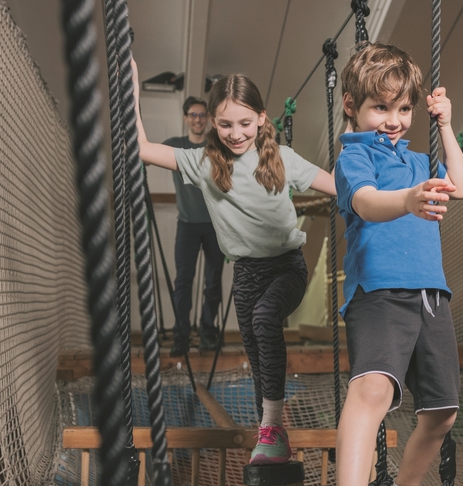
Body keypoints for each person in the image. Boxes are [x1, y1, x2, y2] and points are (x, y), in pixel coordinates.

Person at [131, 61, 336, 463]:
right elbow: (142, 149)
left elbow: (340, 187)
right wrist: (131, 95)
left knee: (265, 318)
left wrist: (396, 199)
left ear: (261, 118)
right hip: (246, 275)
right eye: (225, 124)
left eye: (245, 123)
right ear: (212, 122)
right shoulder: (204, 163)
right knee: (258, 359)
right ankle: (271, 435)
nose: (236, 133)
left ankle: (272, 428)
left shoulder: (282, 159)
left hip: (286, 267)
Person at [325, 42, 463, 486]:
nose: (393, 120)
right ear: (352, 107)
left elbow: (462, 185)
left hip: (431, 294)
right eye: (380, 108)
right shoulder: (354, 156)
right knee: (372, 393)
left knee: (442, 412)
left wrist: (446, 126)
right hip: (380, 291)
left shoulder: (418, 158)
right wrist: (408, 200)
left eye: (403, 109)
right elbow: (365, 202)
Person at [163, 97, 225, 356]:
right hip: (187, 226)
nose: (198, 120)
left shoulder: (217, 145)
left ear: (208, 118)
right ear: (186, 118)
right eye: (193, 115)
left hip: (215, 225)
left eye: (202, 115)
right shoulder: (175, 146)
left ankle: (208, 333)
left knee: (213, 282)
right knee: (183, 282)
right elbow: (143, 153)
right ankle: (181, 336)